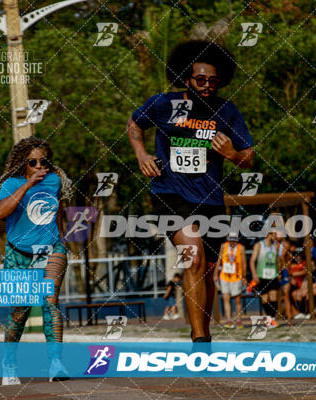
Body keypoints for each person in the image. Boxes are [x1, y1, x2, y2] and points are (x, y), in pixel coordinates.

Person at [128, 40, 254, 342]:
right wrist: (142, 155)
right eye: (200, 79)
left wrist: (234, 156)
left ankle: (204, 333)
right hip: (170, 193)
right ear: (186, 78)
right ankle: (200, 344)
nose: (208, 85)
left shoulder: (227, 111)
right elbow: (135, 124)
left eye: (213, 80)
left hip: (210, 198)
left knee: (207, 269)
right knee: (194, 257)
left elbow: (249, 158)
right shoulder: (163, 103)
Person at [0, 136, 73, 385]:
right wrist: (27, 185)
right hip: (18, 254)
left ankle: (55, 363)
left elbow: (58, 210)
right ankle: (9, 363)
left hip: (51, 249)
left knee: (50, 301)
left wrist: (62, 238)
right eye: (33, 162)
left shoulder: (55, 180)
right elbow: (1, 212)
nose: (40, 166)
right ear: (23, 163)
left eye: (44, 161)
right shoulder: (11, 184)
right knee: (20, 313)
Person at [213, 232, 247, 329]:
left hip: (237, 276)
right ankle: (229, 320)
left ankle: (239, 320)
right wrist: (215, 273)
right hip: (225, 276)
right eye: (230, 239)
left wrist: (244, 276)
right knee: (226, 298)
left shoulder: (241, 248)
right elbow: (219, 260)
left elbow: (244, 262)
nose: (232, 241)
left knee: (237, 300)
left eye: (234, 239)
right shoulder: (224, 246)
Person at [250, 231, 280, 328]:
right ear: (269, 235)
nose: (276, 236)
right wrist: (254, 274)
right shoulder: (259, 245)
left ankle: (272, 320)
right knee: (265, 299)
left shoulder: (276, 246)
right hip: (262, 275)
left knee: (274, 297)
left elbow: (278, 260)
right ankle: (269, 320)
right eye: (274, 234)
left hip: (273, 275)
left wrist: (279, 271)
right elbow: (252, 260)